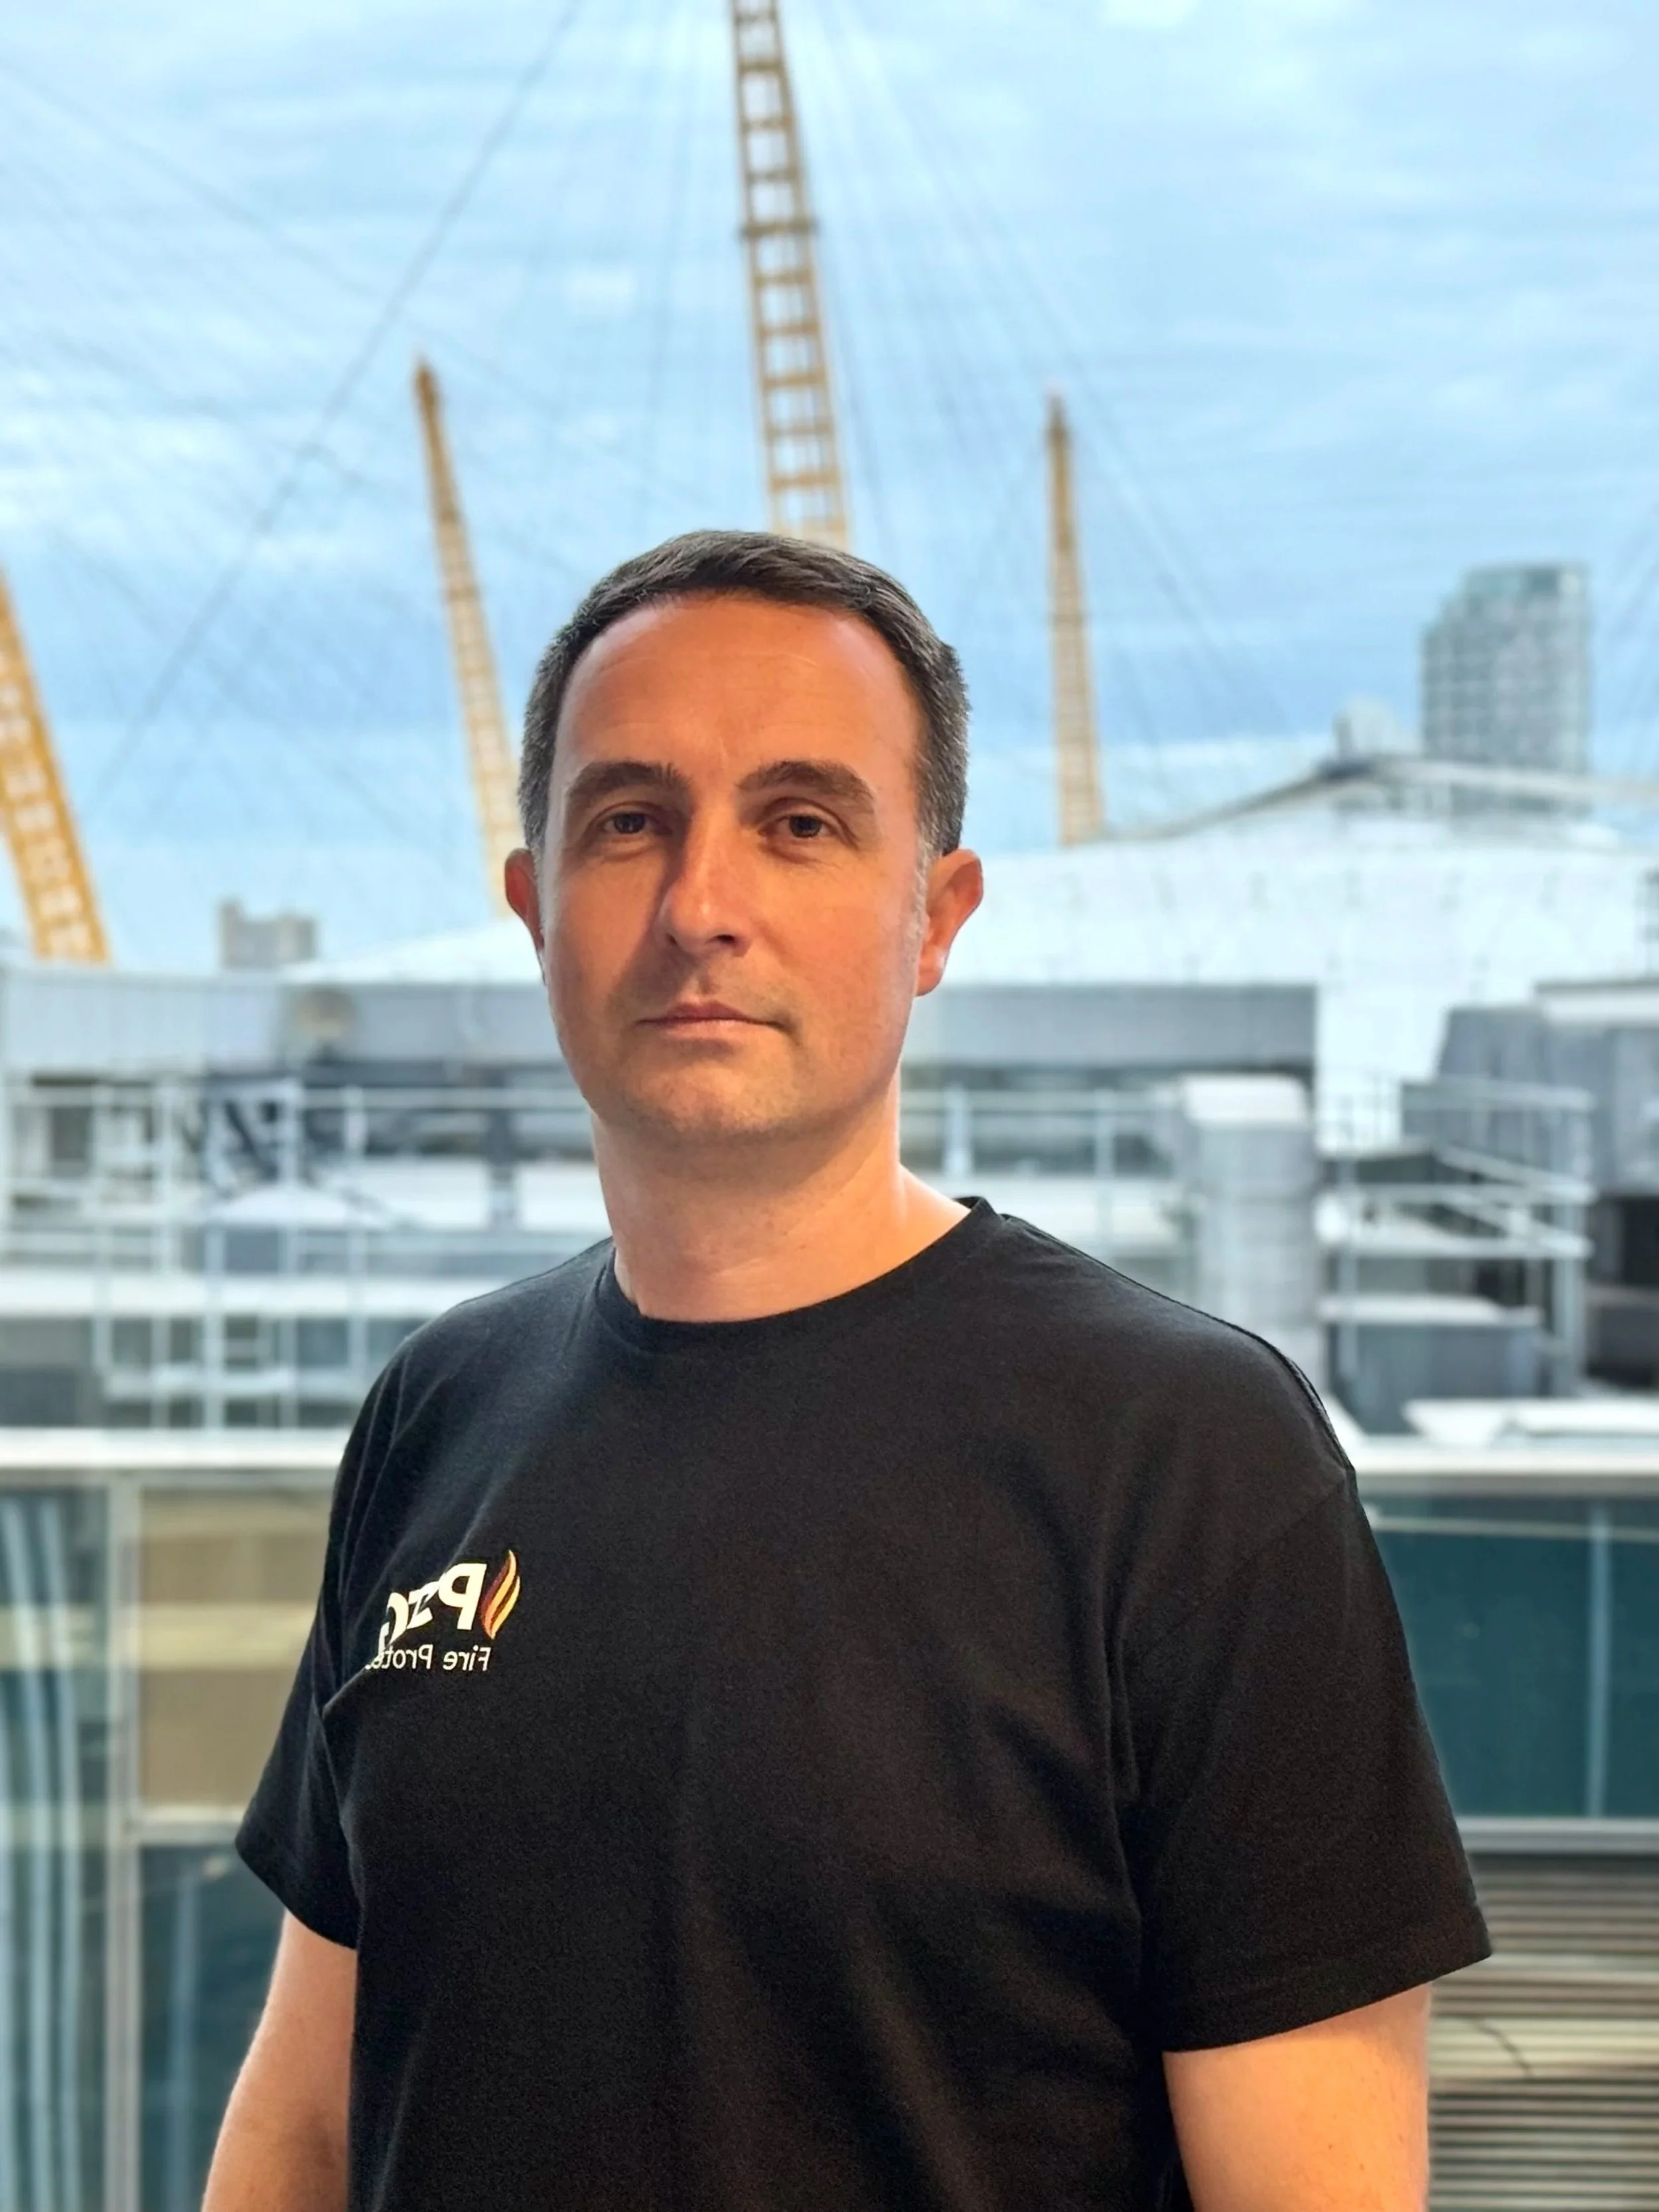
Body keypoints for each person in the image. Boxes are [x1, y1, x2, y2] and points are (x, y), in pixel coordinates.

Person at [209, 530, 1488, 2212]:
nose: (699, 907)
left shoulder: (1187, 1458)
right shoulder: (440, 1411)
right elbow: (305, 2126)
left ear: (933, 914)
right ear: (535, 907)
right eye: (627, 821)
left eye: (799, 824)